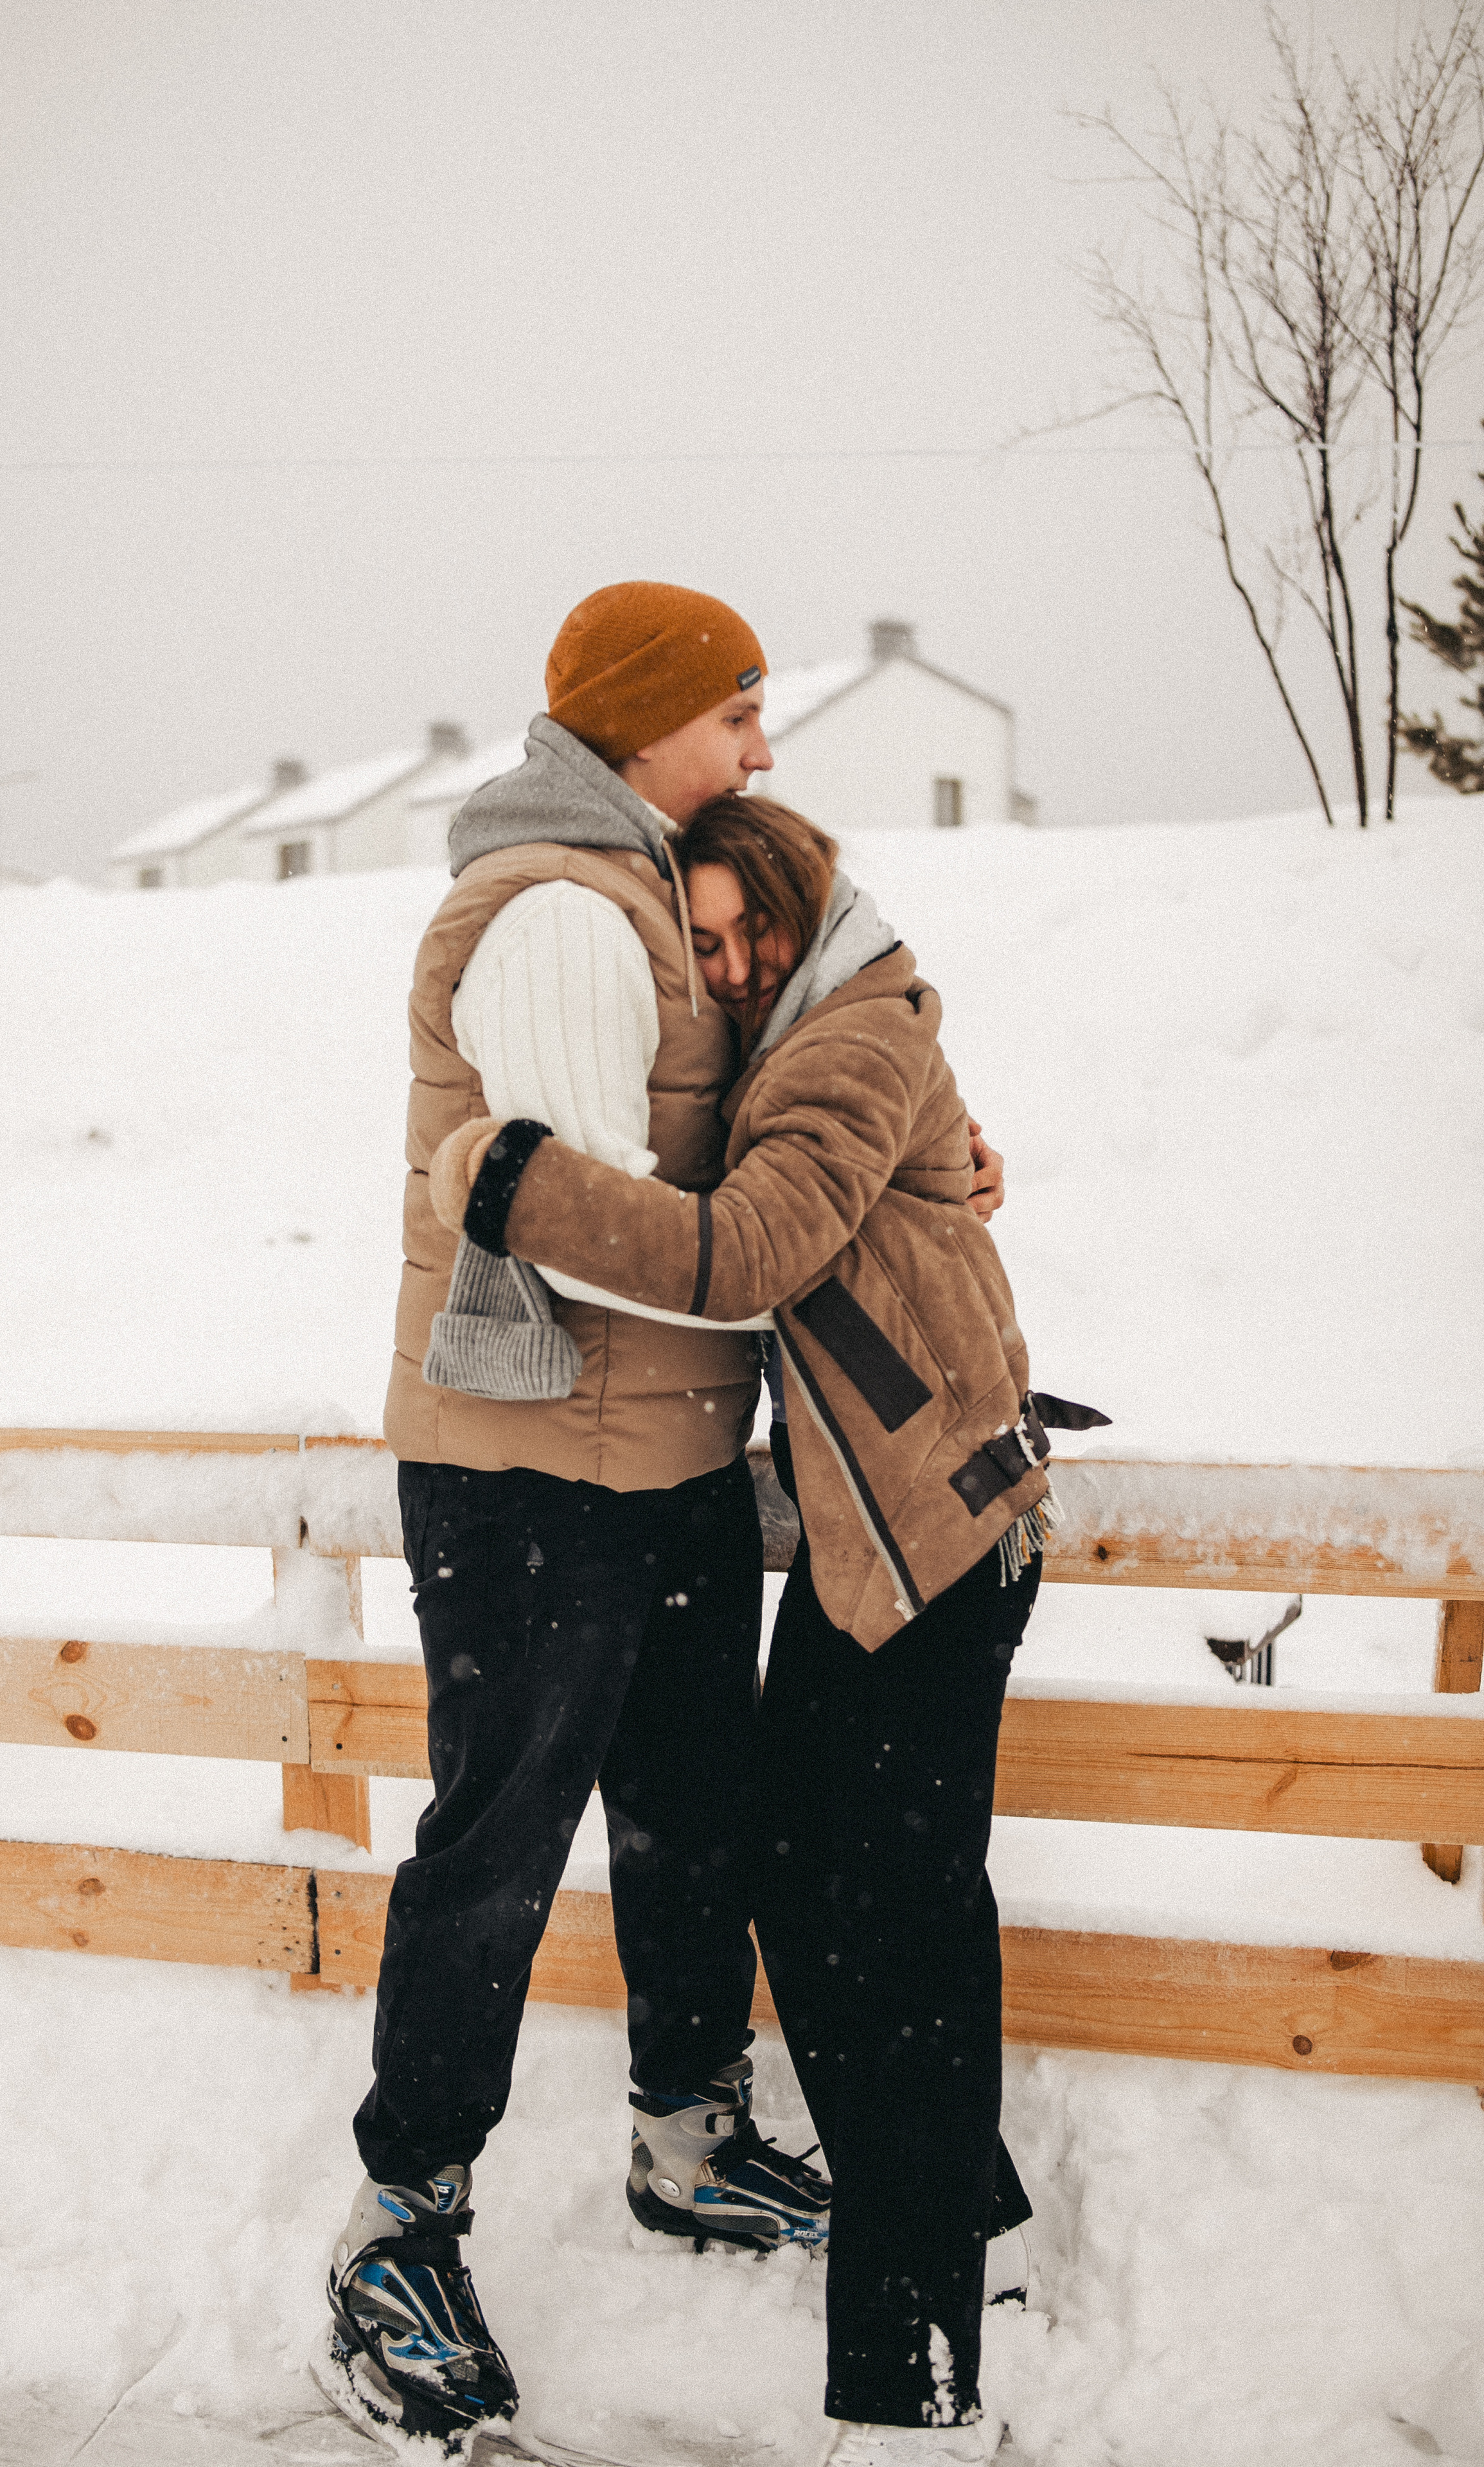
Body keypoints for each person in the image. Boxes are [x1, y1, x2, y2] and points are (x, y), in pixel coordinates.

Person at [428, 793, 1096, 2466]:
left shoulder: (843, 1040)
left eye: (750, 934)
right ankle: (966, 2236)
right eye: (702, 943)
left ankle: (914, 2369)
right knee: (852, 1895)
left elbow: (747, 1254)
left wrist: (504, 1178)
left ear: (808, 907)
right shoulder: (829, 1033)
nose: (728, 966)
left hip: (938, 1547)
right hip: (909, 1536)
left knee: (884, 1926)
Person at [316, 585, 836, 2461]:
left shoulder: (639, 888)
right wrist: (804, 1247)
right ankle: (398, 2232)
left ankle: (688, 2140)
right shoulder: (558, 908)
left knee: (698, 1810)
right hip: (536, 1465)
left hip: (666, 1462)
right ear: (642, 725)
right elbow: (575, 1218)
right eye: (739, 712)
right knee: (500, 1843)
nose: (763, 748)